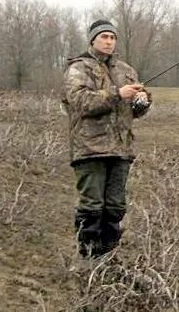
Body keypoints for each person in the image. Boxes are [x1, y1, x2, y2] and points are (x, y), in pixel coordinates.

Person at [62, 19, 152, 257]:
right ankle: (88, 261)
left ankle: (109, 259)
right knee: (92, 208)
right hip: (90, 149)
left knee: (115, 208)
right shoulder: (78, 69)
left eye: (112, 37)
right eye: (104, 37)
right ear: (93, 39)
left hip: (121, 150)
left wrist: (142, 102)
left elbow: (134, 111)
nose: (109, 41)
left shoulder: (126, 70)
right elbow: (81, 102)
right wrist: (116, 94)